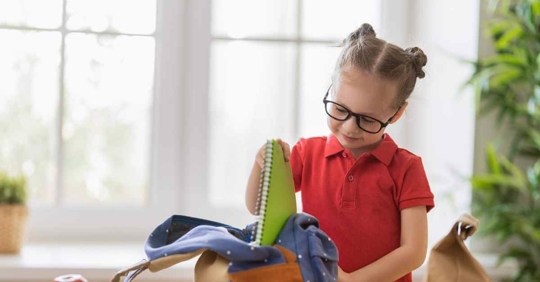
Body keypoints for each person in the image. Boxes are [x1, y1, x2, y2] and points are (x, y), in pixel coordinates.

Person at [245, 23, 435, 282]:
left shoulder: (407, 168)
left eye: (367, 119)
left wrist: (353, 280)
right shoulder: (307, 153)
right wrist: (262, 165)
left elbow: (413, 252)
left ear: (397, 113)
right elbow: (257, 207)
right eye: (340, 109)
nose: (349, 127)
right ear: (331, 90)